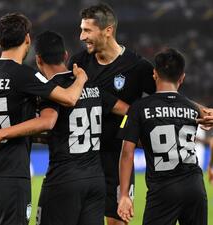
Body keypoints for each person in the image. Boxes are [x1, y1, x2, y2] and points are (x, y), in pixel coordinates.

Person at [0, 30, 128, 225]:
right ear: (65, 55)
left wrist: (5, 133)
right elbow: (126, 111)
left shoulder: (51, 90)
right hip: (96, 180)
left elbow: (49, 121)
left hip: (64, 179)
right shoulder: (93, 87)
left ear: (38, 60)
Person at [0, 13, 88, 225]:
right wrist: (81, 78)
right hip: (11, 170)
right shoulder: (24, 74)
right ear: (27, 39)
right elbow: (69, 98)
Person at [68, 3, 156, 225]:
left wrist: (197, 109)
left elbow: (166, 94)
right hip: (83, 158)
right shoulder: (78, 63)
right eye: (81, 29)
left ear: (108, 30)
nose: (81, 36)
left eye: (87, 30)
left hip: (117, 159)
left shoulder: (137, 66)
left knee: (117, 222)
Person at [117, 48, 207, 225]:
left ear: (154, 74)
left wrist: (125, 195)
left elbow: (127, 153)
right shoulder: (193, 108)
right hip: (195, 186)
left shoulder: (139, 108)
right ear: (182, 78)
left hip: (163, 189)